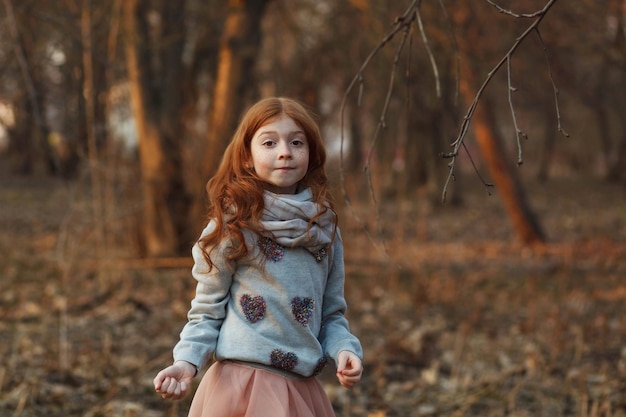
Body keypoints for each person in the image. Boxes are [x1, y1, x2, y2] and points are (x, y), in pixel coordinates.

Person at [153, 97, 363, 417]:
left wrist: (345, 348)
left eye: (296, 142)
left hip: (301, 390)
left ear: (312, 153)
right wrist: (186, 362)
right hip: (240, 388)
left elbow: (332, 313)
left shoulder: (324, 230)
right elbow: (207, 313)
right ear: (248, 156)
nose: (284, 152)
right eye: (269, 142)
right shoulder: (233, 227)